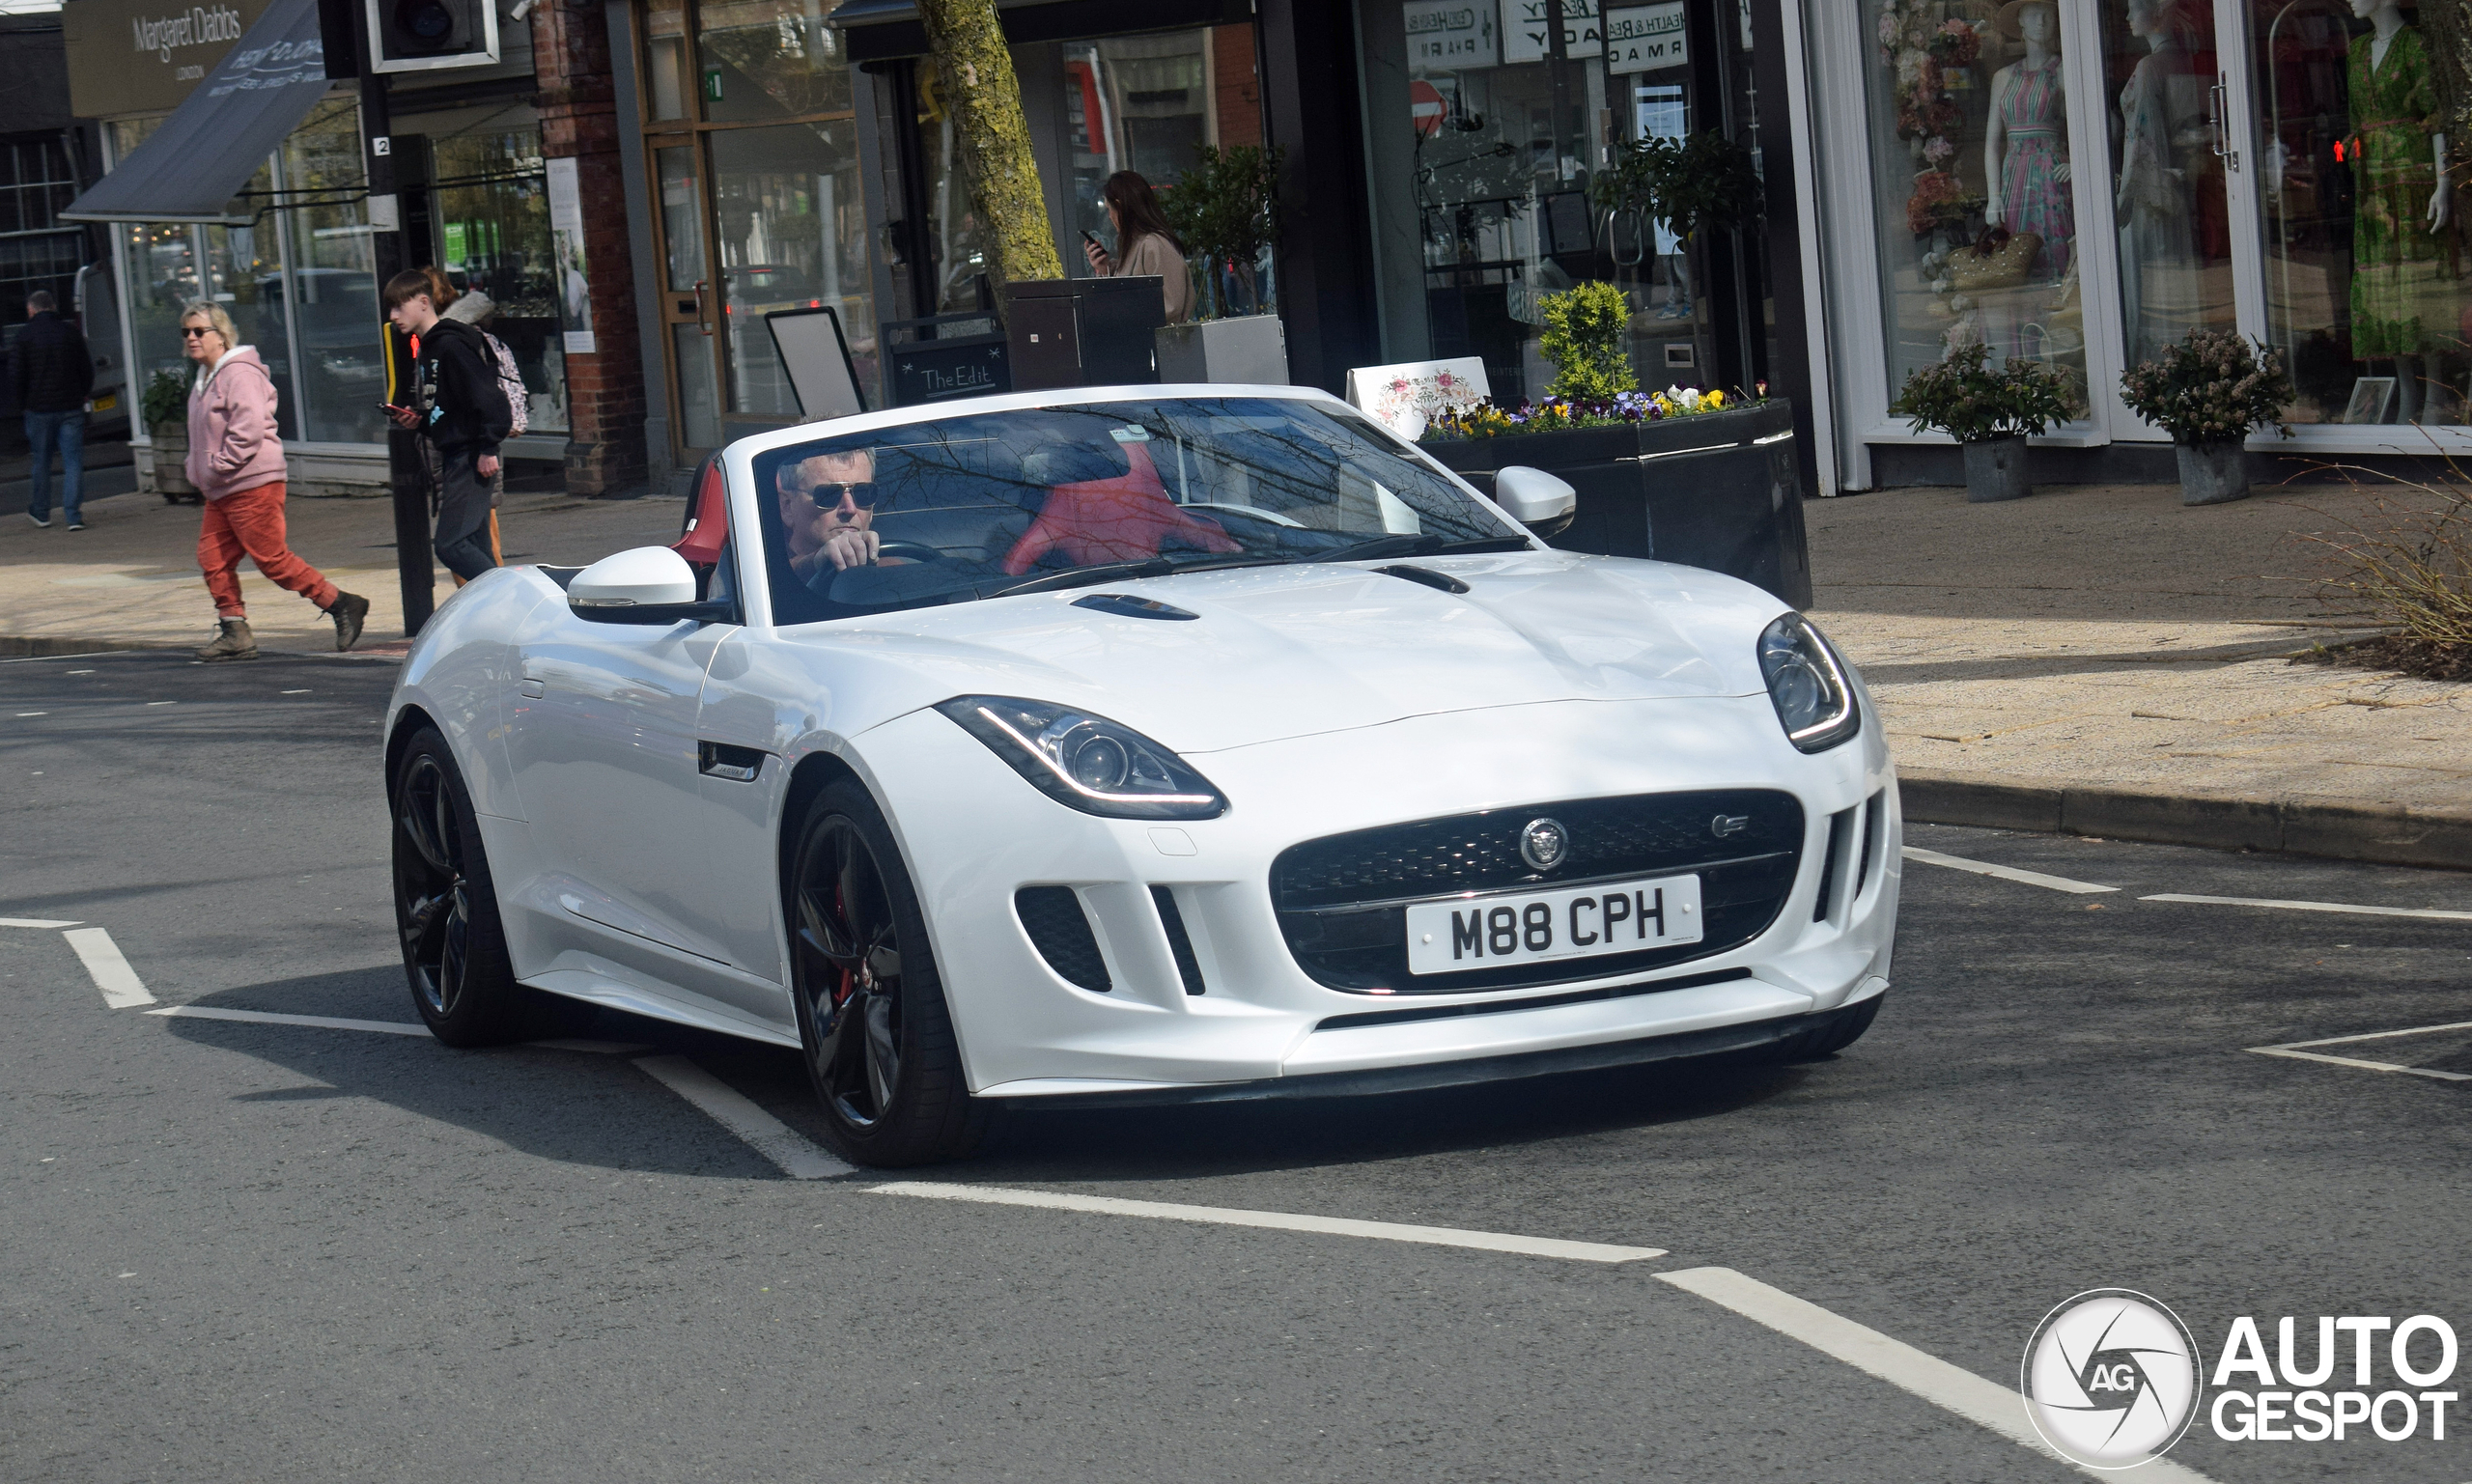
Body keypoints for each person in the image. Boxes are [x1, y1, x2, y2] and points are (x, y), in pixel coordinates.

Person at [180, 301, 369, 661]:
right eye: (186, 331)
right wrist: (196, 469)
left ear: (221, 336)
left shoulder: (239, 374)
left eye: (199, 331)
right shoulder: (205, 379)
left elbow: (248, 428)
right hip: (221, 488)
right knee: (213, 560)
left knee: (272, 560)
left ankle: (341, 604)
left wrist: (219, 465)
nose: (191, 338)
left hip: (251, 482)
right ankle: (235, 630)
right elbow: (200, 435)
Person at [382, 269, 512, 583]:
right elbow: (450, 410)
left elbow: (491, 401)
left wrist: (488, 447)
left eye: (400, 306)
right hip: (457, 456)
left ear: (424, 302)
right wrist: (422, 422)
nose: (393, 315)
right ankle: (497, 615)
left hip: (471, 459)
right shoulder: (428, 350)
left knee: (451, 545)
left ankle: (511, 599)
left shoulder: (450, 347)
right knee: (475, 545)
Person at [13, 290, 95, 531]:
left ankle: (41, 512)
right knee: (73, 461)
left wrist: (23, 403)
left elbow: (16, 375)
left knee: (41, 460)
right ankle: (73, 516)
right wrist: (81, 393)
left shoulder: (24, 336)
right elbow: (86, 369)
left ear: (31, 310)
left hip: (38, 409)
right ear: (52, 306)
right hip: (70, 406)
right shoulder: (70, 333)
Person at [1081, 171, 1193, 324]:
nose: (1109, 216)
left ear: (1119, 207)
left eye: (1109, 209)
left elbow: (1170, 306)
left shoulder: (1153, 245)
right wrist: (1105, 269)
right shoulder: (1141, 244)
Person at [775, 449, 889, 578]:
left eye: (863, 493)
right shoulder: (761, 573)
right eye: (828, 494)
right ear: (787, 507)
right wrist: (814, 563)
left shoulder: (895, 571)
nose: (850, 509)